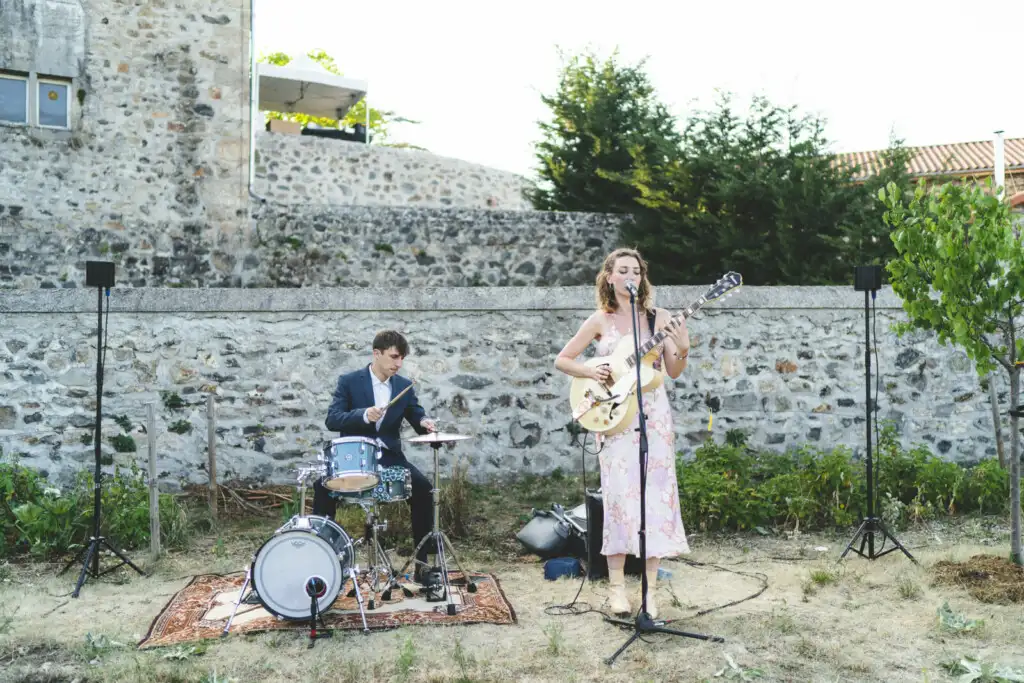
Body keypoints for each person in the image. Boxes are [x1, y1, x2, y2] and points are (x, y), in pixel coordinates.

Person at [554, 247, 691, 619]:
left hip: (653, 417)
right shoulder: (601, 319)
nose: (631, 275)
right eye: (623, 270)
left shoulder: (659, 317)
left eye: (637, 270)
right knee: (618, 500)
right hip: (614, 418)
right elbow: (563, 359)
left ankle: (650, 594)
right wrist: (590, 372)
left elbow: (674, 370)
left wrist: (682, 344)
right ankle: (616, 589)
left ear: (643, 278)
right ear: (610, 277)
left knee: (655, 499)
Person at [312, 329, 438, 583]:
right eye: (393, 357)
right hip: (356, 458)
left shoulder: (403, 385)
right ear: (376, 354)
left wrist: (424, 421)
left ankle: (423, 566)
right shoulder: (349, 381)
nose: (398, 364)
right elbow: (332, 418)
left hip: (391, 458)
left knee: (424, 489)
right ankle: (322, 563)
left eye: (402, 358)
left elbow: (415, 412)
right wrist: (362, 415)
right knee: (322, 488)